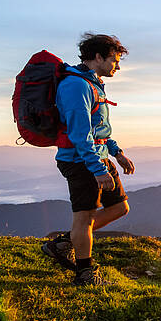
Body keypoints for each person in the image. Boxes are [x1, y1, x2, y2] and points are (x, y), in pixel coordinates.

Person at [41, 33, 135, 285]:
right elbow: (79, 134)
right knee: (83, 218)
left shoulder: (92, 83)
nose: (117, 66)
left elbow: (98, 129)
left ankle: (64, 243)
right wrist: (97, 169)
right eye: (114, 60)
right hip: (80, 161)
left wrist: (117, 153)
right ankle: (85, 273)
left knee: (119, 207)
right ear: (97, 57)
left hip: (99, 157)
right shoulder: (76, 86)